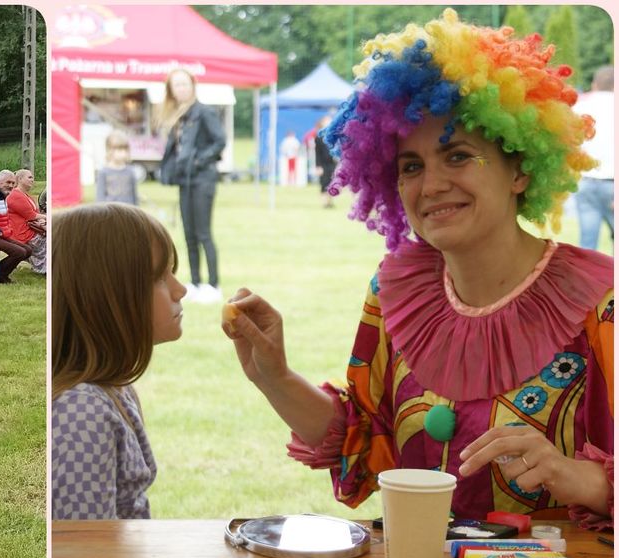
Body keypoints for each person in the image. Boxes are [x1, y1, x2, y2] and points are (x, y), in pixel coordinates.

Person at [226, 10, 613, 525]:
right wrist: (272, 376)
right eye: (411, 166)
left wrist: (584, 478)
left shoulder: (600, 303)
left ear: (519, 169)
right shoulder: (392, 292)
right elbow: (367, 447)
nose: (430, 186)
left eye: (457, 156)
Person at [52, 203, 185, 519]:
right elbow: (86, 556)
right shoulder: (81, 411)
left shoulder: (113, 389)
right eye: (160, 278)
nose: (181, 290)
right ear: (105, 297)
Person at [158, 67, 225, 304]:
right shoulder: (178, 117)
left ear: (193, 86)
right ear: (171, 90)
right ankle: (195, 282)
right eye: (177, 85)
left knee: (203, 233)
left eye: (185, 84)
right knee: (188, 234)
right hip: (184, 180)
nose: (181, 89)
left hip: (202, 179)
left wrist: (199, 160)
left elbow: (220, 141)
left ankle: (214, 284)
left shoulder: (204, 112)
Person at [575, 66, 614, 252]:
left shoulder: (582, 105)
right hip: (612, 184)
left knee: (588, 246)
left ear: (595, 84)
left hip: (586, 182)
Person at [5, 169, 47, 274]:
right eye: (29, 177)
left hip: (32, 229)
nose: (32, 180)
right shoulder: (15, 195)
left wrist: (42, 220)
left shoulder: (26, 196)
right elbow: (31, 215)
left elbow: (35, 214)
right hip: (22, 234)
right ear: (19, 179)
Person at [95, 130, 138, 205]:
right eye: (120, 150)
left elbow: (134, 196)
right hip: (111, 213)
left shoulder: (130, 172)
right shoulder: (103, 172)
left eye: (125, 150)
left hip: (128, 213)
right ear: (110, 151)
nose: (123, 153)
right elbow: (100, 198)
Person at [313, 115, 337, 209]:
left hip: (332, 163)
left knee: (332, 183)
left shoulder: (333, 135)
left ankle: (330, 201)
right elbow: (317, 154)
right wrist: (318, 166)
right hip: (323, 164)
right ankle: (324, 202)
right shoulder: (318, 137)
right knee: (324, 183)